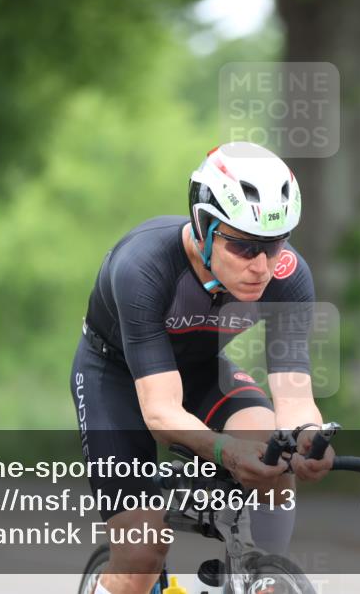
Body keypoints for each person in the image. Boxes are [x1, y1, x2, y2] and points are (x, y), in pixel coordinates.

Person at [70, 141, 333, 594]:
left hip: (199, 371)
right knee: (142, 553)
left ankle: (261, 576)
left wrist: (309, 438)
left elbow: (294, 396)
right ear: (204, 226)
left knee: (277, 453)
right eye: (245, 248)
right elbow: (159, 413)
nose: (262, 266)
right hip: (115, 377)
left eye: (274, 246)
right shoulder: (144, 266)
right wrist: (226, 450)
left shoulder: (289, 276)